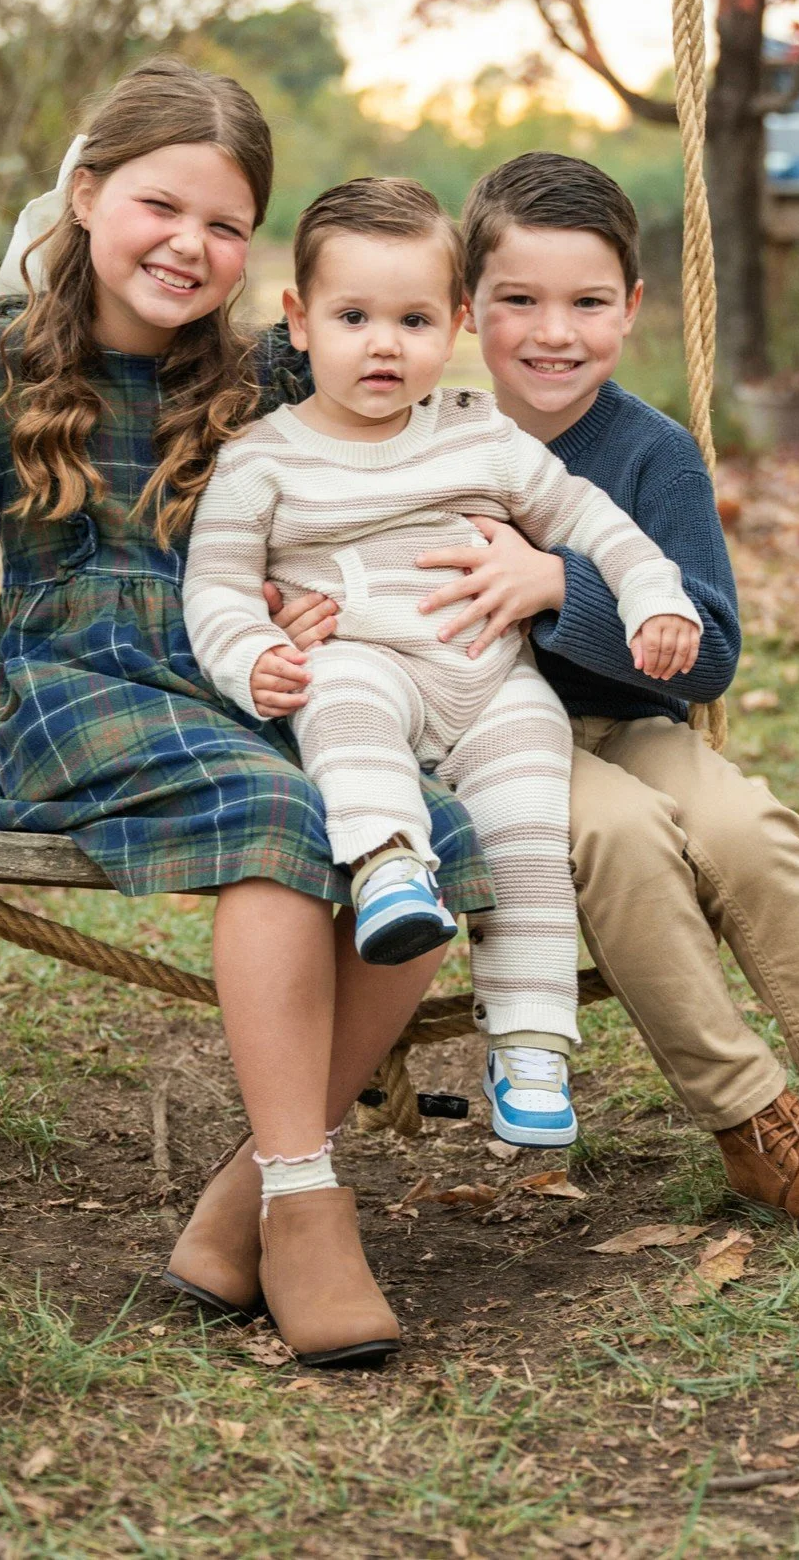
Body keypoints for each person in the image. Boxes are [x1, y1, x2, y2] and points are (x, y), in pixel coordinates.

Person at [0, 57, 495, 1370]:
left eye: (227, 223)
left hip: (232, 692)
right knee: (280, 817)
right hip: (78, 704)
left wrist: (320, 601)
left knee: (437, 836)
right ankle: (307, 1204)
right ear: (86, 196)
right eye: (158, 205)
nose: (190, 244)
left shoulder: (261, 380)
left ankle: (242, 1198)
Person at [443, 151, 799, 1234]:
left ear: (634, 306)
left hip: (633, 720)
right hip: (491, 740)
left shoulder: (655, 452)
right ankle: (753, 1122)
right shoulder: (428, 436)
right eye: (517, 299)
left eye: (586, 301)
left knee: (746, 826)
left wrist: (558, 585)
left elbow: (709, 654)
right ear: (467, 304)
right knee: (620, 835)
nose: (551, 330)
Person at [181, 177, 702, 1149]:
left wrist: (653, 594)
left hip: (493, 683)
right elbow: (212, 586)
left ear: (456, 322)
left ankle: (533, 1047)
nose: (384, 343)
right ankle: (387, 869)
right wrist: (252, 654)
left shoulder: (480, 434)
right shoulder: (263, 460)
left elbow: (593, 522)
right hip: (366, 661)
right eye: (353, 316)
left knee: (527, 836)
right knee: (344, 693)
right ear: (298, 321)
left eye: (414, 318)